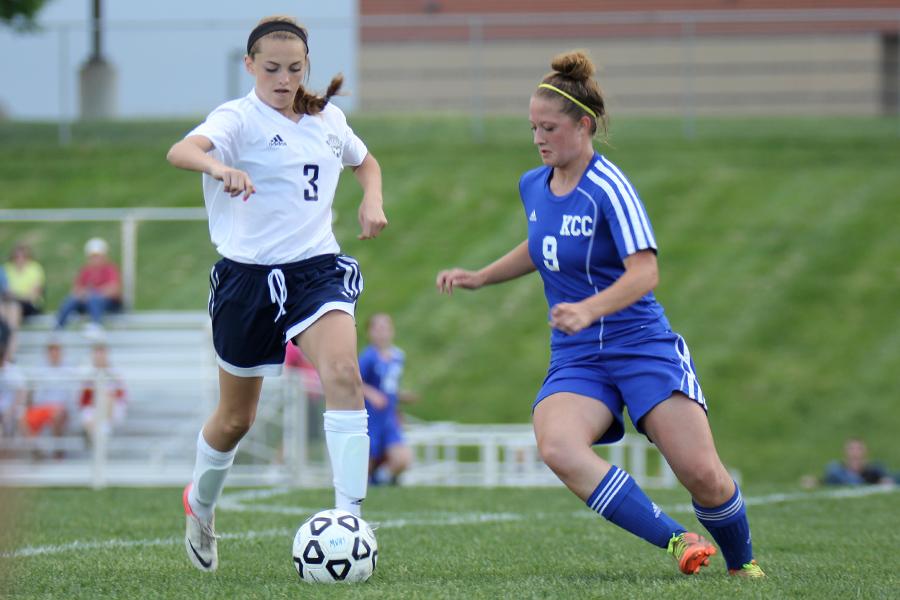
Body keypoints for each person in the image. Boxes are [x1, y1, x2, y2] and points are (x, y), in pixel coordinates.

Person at [436, 51, 764, 578]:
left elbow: (645, 273)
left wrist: (588, 308)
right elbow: (541, 245)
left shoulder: (610, 188)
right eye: (532, 128)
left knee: (704, 475)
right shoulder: (533, 184)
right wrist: (480, 275)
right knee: (558, 446)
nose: (539, 138)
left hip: (640, 344)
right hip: (579, 356)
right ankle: (677, 541)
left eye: (549, 128)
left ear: (583, 125)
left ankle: (743, 566)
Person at [166, 14, 386, 573]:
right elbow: (181, 151)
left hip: (316, 272)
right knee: (236, 419)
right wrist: (218, 167)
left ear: (305, 66)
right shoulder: (238, 119)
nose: (283, 79)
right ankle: (202, 503)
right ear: (249, 66)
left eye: (293, 68)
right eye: (271, 69)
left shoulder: (328, 120)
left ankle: (350, 520)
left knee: (343, 374)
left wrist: (372, 199)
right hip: (247, 281)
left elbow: (367, 162)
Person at [359, 313, 417, 485]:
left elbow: (388, 387)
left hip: (389, 417)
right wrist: (372, 394)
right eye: (377, 329)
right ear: (370, 333)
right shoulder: (368, 357)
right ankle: (369, 483)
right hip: (371, 417)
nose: (382, 333)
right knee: (365, 462)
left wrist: (400, 397)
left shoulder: (398, 356)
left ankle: (380, 480)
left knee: (403, 458)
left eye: (385, 328)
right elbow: (355, 383)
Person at [55, 238, 122, 332]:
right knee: (70, 300)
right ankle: (58, 328)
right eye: (93, 256)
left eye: (97, 256)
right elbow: (76, 290)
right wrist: (84, 294)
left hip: (107, 304)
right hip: (87, 303)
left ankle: (96, 326)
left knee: (94, 298)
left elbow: (114, 289)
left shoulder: (110, 269)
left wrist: (93, 293)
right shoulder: (85, 270)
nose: (95, 259)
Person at [20, 339, 76, 447]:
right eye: (51, 350)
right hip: (43, 408)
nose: (54, 353)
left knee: (56, 415)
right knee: (21, 418)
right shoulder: (39, 371)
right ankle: (35, 449)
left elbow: (71, 398)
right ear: (47, 353)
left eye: (56, 350)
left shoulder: (69, 371)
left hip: (61, 409)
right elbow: (36, 398)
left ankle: (58, 451)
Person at [77, 342, 127, 440]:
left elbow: (121, 396)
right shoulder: (87, 374)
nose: (99, 356)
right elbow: (83, 400)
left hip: (112, 409)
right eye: (97, 353)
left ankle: (98, 437)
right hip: (93, 408)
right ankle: (98, 438)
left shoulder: (115, 373)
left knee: (107, 399)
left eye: (102, 353)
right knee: (89, 417)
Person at [3, 243, 46, 328]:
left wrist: (16, 296)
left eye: (23, 256)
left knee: (14, 307)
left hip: (30, 305)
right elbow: (4, 290)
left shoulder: (35, 268)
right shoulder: (6, 268)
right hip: (9, 302)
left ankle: (9, 337)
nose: (20, 259)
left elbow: (33, 295)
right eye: (17, 256)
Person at [821, 438, 896, 486]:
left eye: (859, 449)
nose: (855, 452)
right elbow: (824, 482)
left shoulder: (875, 470)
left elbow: (889, 480)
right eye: (851, 449)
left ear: (865, 451)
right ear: (845, 452)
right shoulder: (836, 472)